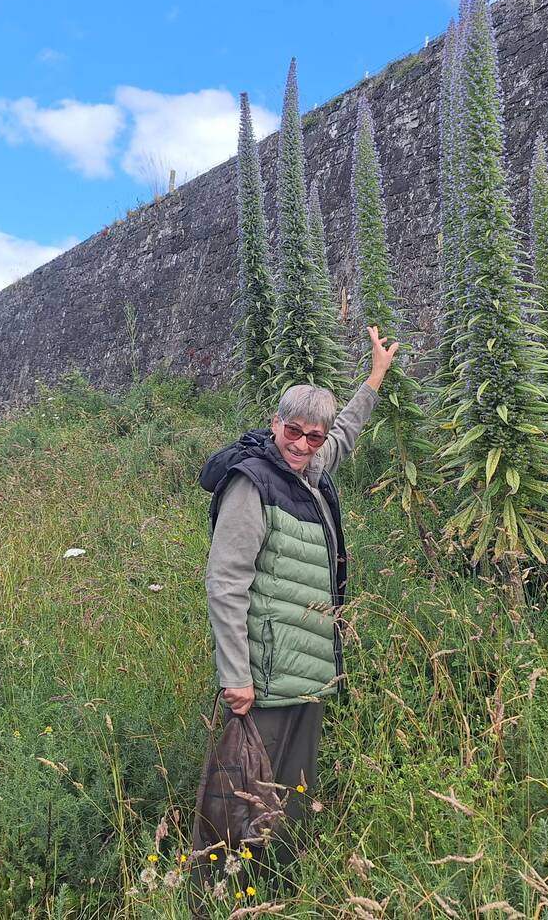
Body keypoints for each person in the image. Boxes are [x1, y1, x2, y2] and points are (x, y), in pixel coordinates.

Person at [194, 325, 398, 896]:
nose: (303, 444)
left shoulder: (310, 470)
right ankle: (214, 890)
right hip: (264, 674)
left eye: (314, 436)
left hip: (307, 671)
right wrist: (235, 674)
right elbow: (225, 583)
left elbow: (347, 433)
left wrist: (374, 379)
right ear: (275, 423)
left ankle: (274, 889)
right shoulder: (252, 485)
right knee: (241, 791)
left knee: (291, 791)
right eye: (293, 432)